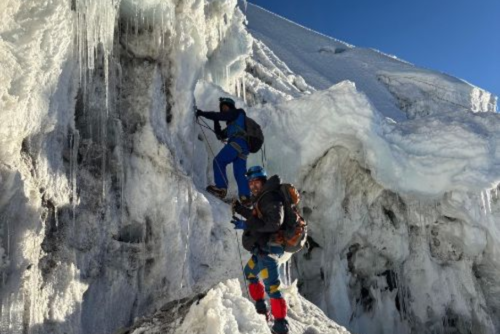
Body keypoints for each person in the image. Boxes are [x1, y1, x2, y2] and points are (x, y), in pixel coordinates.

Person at [231, 166, 290, 334]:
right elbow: (257, 216)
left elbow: (274, 223)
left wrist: (246, 224)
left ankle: (281, 326)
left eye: (256, 183)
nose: (252, 187)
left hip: (268, 252)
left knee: (273, 288)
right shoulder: (263, 198)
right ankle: (261, 309)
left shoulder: (271, 197)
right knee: (250, 272)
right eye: (250, 183)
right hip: (260, 250)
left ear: (263, 182)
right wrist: (240, 210)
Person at [196, 97, 251, 205]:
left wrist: (202, 113)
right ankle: (245, 197)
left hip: (237, 143)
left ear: (231, 107)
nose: (224, 109)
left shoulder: (238, 112)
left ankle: (221, 187)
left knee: (218, 161)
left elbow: (221, 116)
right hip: (244, 147)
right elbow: (220, 135)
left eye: (226, 107)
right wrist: (216, 120)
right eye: (222, 108)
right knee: (239, 172)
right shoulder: (233, 124)